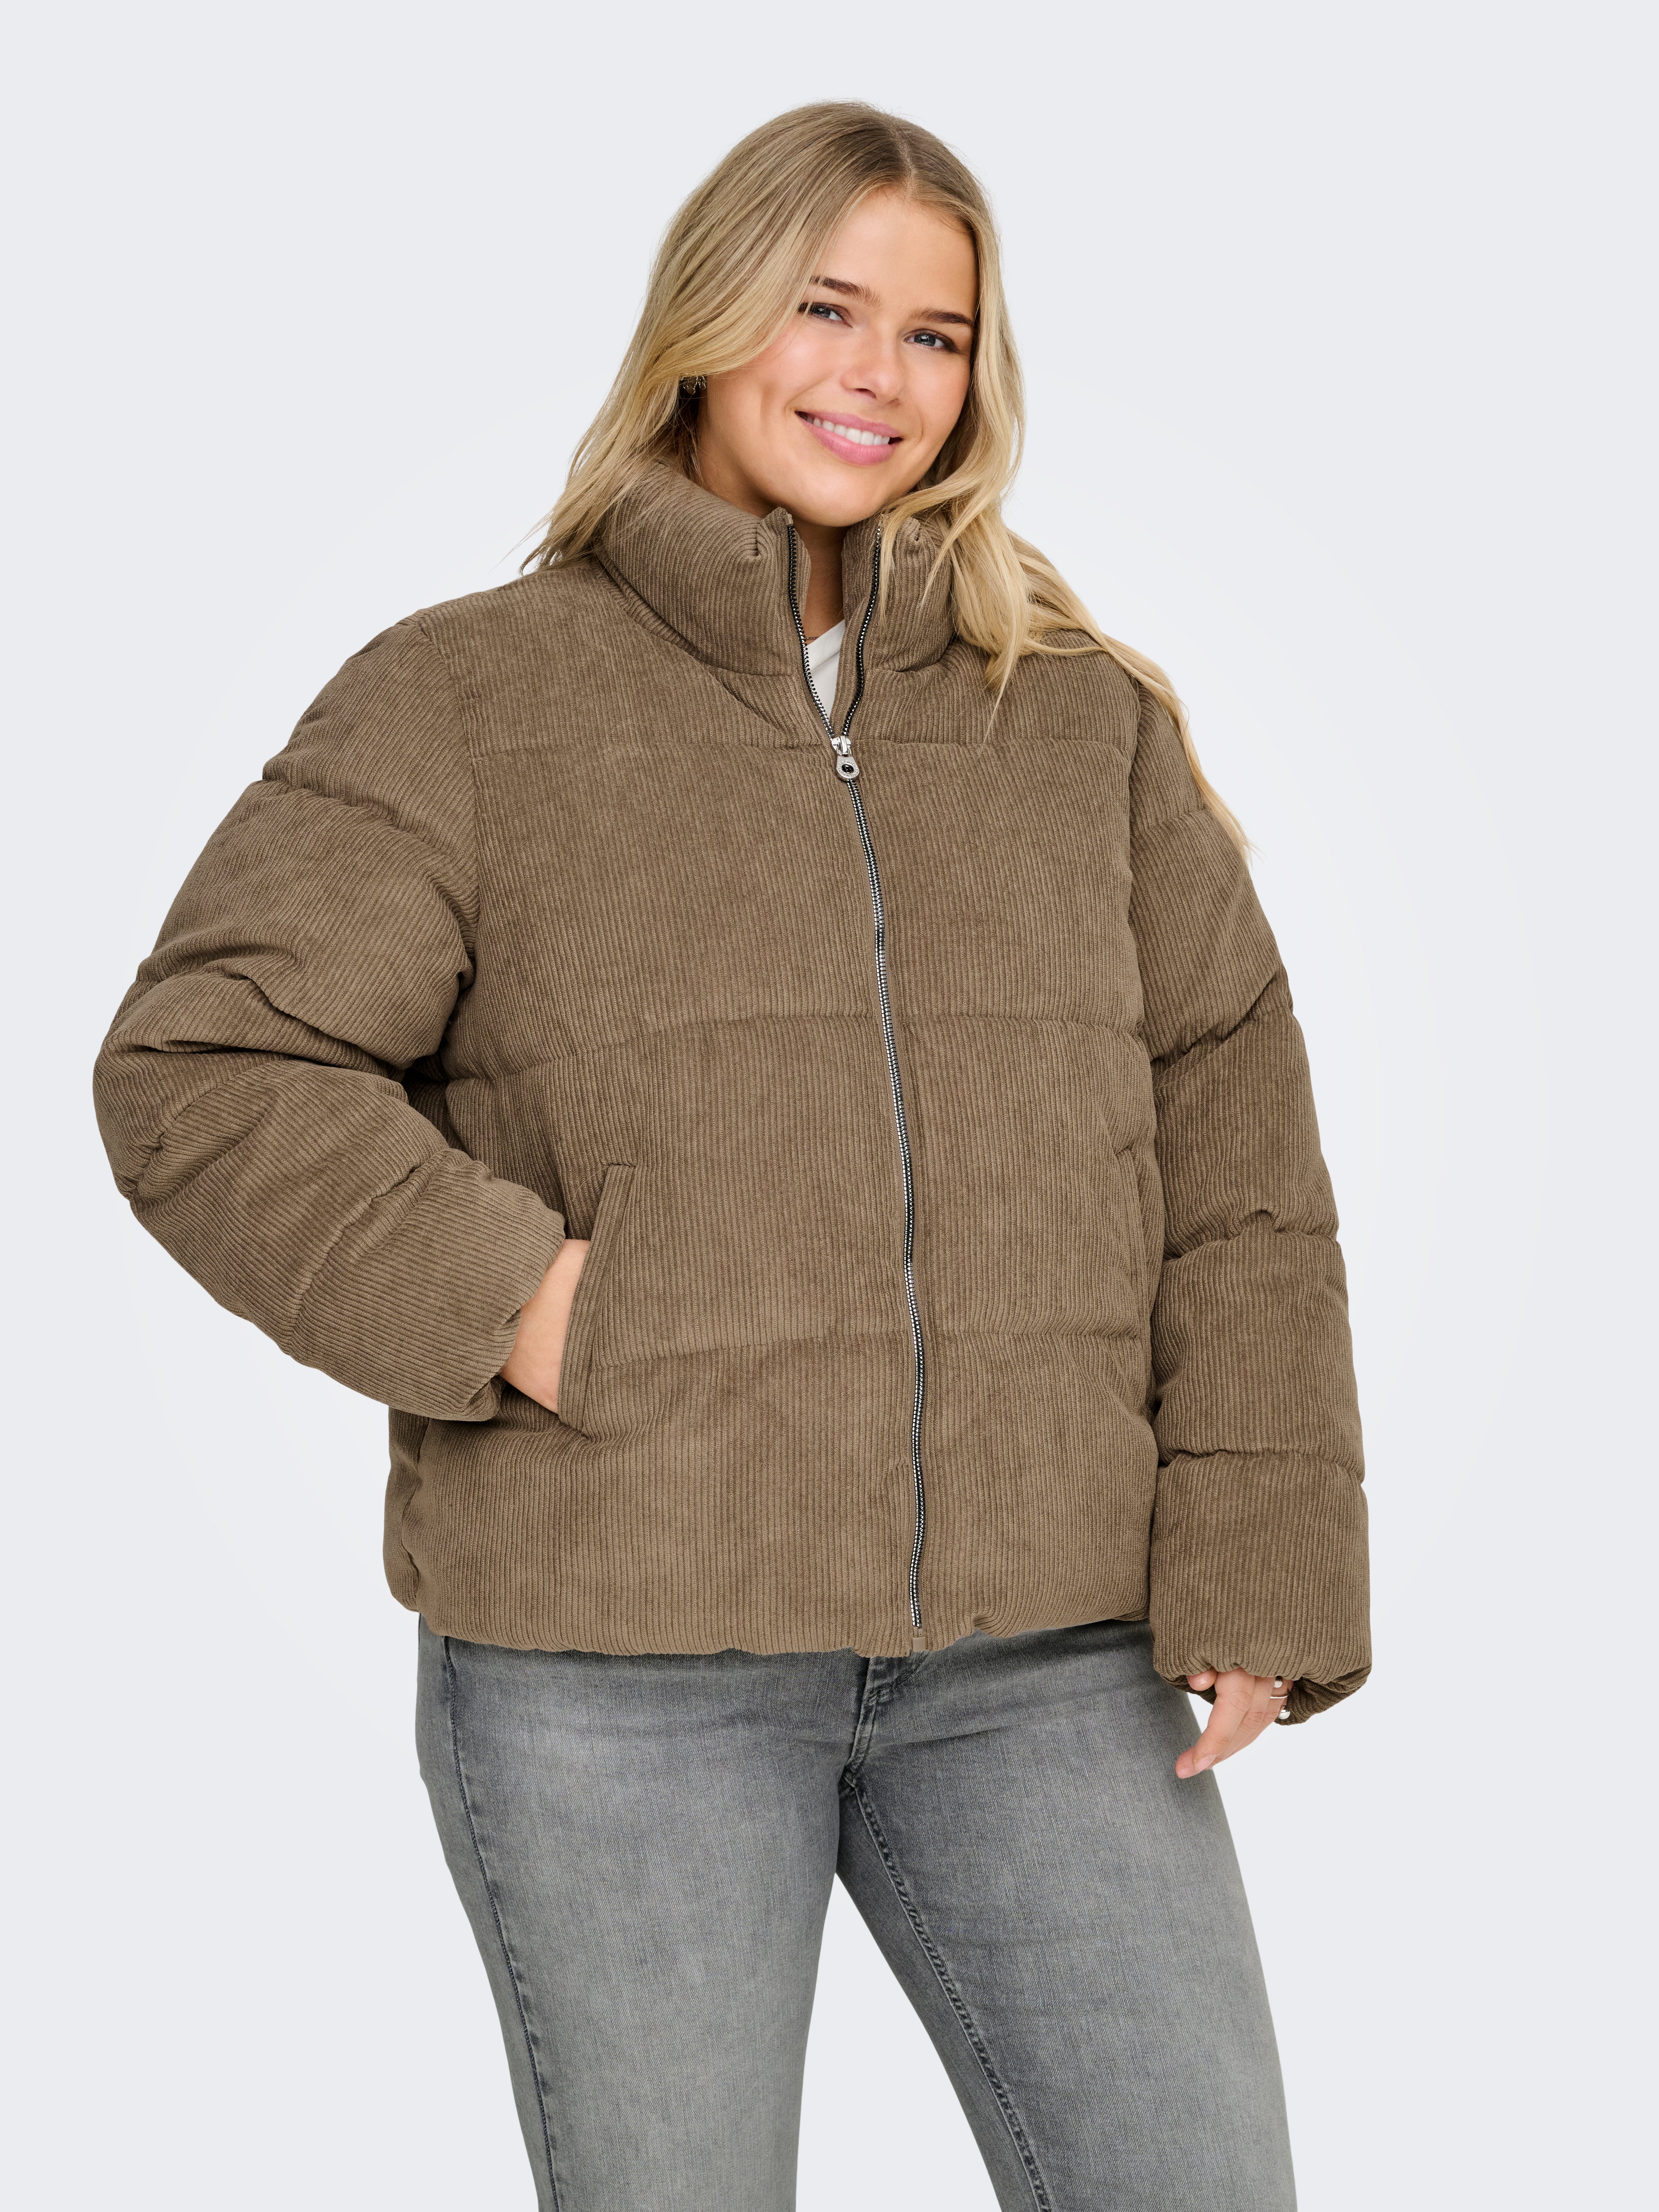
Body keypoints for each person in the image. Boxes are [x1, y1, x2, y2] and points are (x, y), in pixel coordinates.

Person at [94, 101, 1368, 2212]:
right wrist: (534, 1308)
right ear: (708, 321)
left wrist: (1263, 1561)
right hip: (624, 1669)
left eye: (936, 335)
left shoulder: (1077, 720)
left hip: (1051, 1653)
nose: (880, 376)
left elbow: (1239, 1152)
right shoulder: (468, 700)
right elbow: (207, 1064)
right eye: (825, 309)